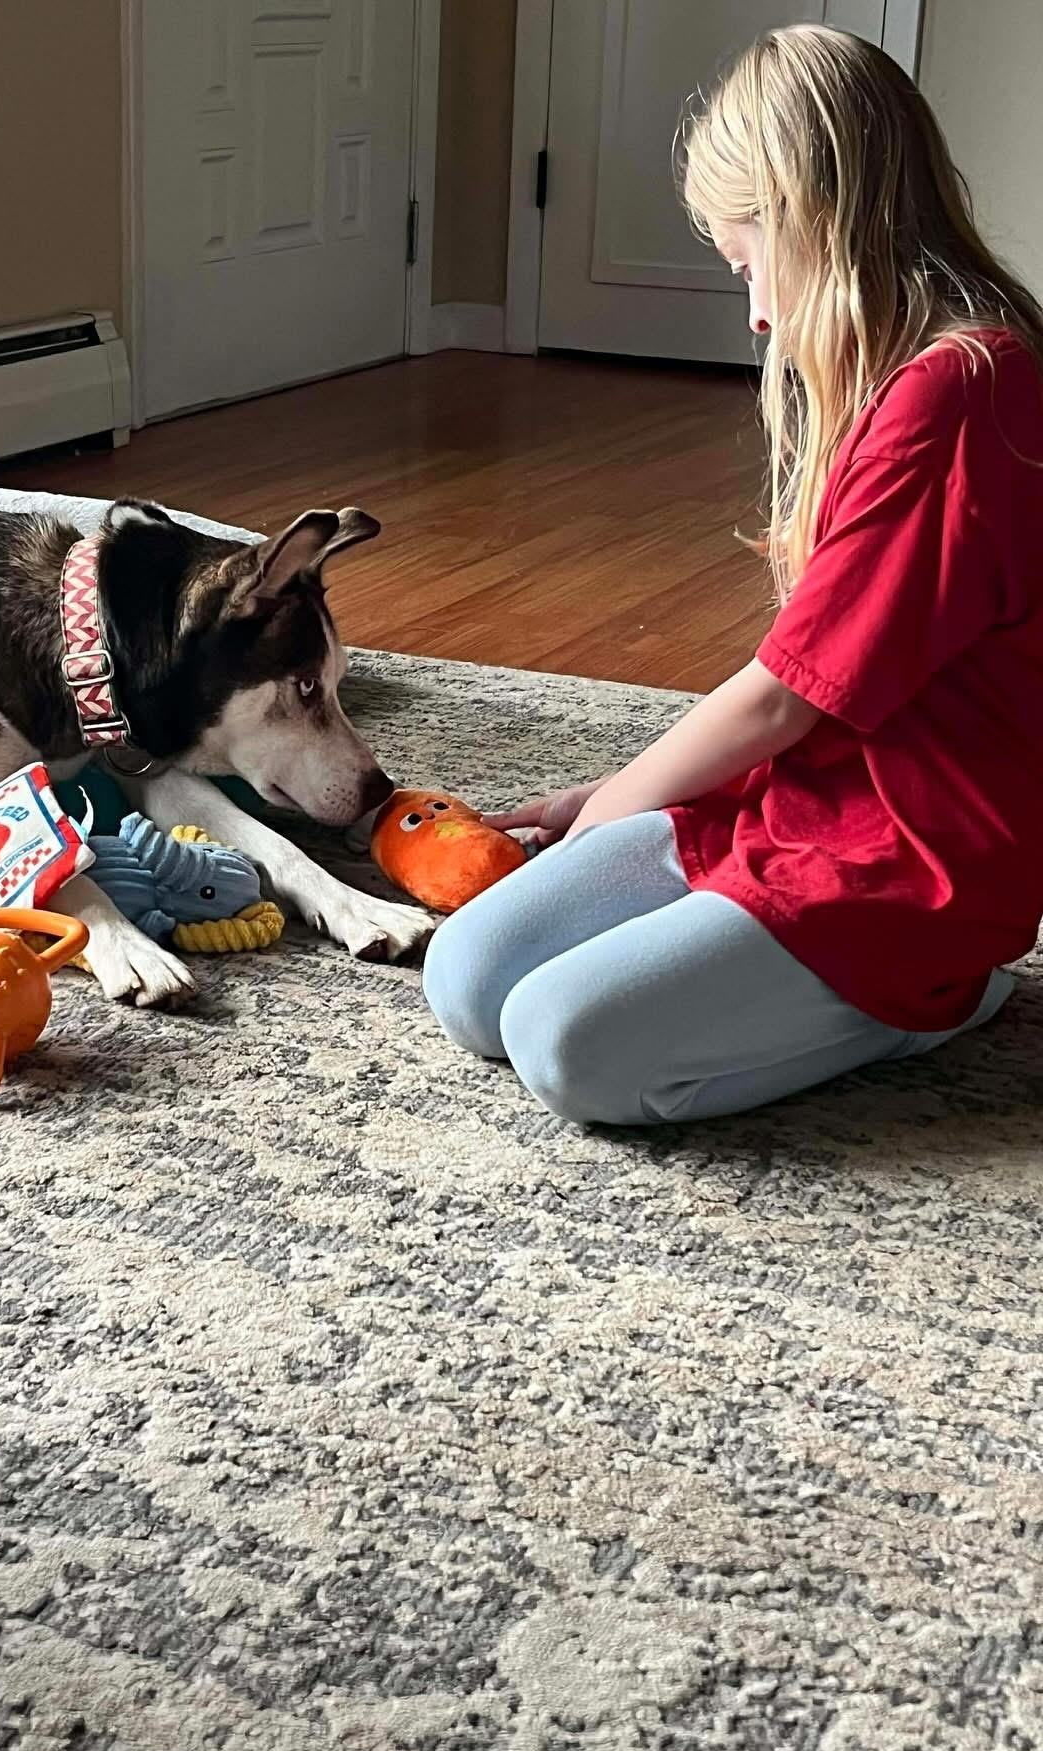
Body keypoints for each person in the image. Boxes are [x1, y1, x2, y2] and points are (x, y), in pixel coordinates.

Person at [423, 23, 1043, 1126]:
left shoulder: (964, 390)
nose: (755, 312)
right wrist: (606, 807)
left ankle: (939, 1003)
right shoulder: (904, 375)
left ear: (814, 218)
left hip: (914, 860)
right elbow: (795, 702)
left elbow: (779, 696)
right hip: (804, 801)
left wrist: (611, 806)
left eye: (749, 264)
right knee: (469, 979)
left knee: (566, 1048)